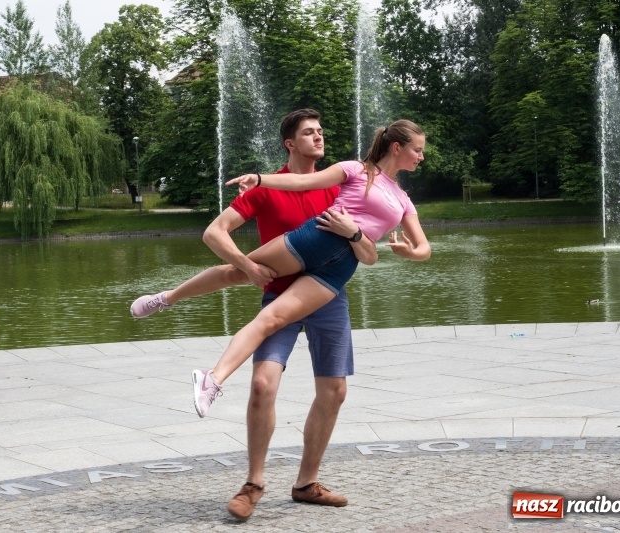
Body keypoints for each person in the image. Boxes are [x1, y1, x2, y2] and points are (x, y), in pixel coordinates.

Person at [131, 108, 377, 520]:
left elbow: (365, 249)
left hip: (327, 299)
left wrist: (361, 234)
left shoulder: (339, 190)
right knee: (262, 385)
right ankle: (254, 483)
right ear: (290, 143)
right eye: (309, 133)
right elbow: (214, 232)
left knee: (334, 391)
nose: (319, 138)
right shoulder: (266, 189)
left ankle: (306, 483)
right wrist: (248, 266)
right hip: (278, 298)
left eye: (321, 132)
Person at [185, 119, 430, 421]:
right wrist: (261, 180)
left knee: (273, 315)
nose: (421, 156)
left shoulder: (404, 199)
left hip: (339, 269)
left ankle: (209, 373)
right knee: (244, 278)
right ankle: (212, 377)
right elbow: (301, 182)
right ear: (397, 147)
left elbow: (424, 248)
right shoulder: (356, 170)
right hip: (317, 238)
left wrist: (410, 252)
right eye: (417, 150)